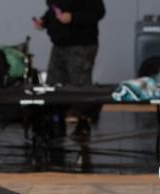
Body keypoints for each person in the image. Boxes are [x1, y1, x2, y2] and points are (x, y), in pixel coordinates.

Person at [33, 0, 106, 138]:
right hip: (59, 44)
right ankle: (56, 123)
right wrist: (44, 21)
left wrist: (73, 18)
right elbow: (54, 10)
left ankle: (83, 123)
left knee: (80, 86)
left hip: (81, 44)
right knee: (53, 85)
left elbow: (98, 12)